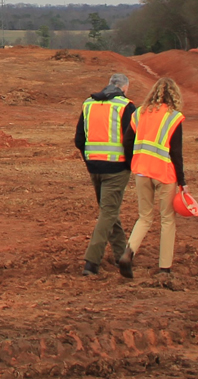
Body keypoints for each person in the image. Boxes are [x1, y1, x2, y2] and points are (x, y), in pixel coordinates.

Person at [123, 77, 187, 288]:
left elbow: (128, 140)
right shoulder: (174, 117)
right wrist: (182, 181)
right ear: (174, 95)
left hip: (141, 171)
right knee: (167, 219)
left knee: (144, 217)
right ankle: (164, 267)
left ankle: (128, 252)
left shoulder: (140, 113)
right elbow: (176, 153)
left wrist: (133, 162)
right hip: (164, 174)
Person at [73, 73, 136, 276]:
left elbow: (79, 139)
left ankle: (121, 255)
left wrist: (89, 159)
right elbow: (130, 139)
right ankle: (91, 262)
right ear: (124, 88)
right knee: (108, 213)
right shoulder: (125, 106)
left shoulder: (88, 104)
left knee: (110, 210)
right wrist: (130, 163)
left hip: (94, 166)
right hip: (116, 168)